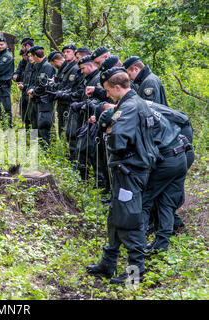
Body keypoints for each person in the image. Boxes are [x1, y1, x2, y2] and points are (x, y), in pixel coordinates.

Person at [86, 67, 158, 285]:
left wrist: (108, 130)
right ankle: (108, 263)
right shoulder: (134, 103)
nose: (107, 95)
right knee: (116, 216)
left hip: (129, 171)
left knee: (129, 220)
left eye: (108, 90)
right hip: (128, 169)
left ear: (117, 87)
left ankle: (135, 274)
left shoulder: (127, 108)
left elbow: (118, 139)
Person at [141, 100, 188, 255]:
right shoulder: (148, 105)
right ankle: (161, 244)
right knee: (166, 201)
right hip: (180, 154)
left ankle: (137, 243)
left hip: (169, 159)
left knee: (146, 199)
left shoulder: (136, 111)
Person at [26, 45, 56, 148]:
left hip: (44, 101)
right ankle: (36, 147)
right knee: (34, 123)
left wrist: (33, 92)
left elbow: (43, 85)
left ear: (35, 55)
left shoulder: (47, 66)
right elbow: (33, 81)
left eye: (31, 56)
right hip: (36, 100)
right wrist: (30, 90)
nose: (31, 58)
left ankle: (46, 150)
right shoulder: (37, 66)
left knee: (44, 125)